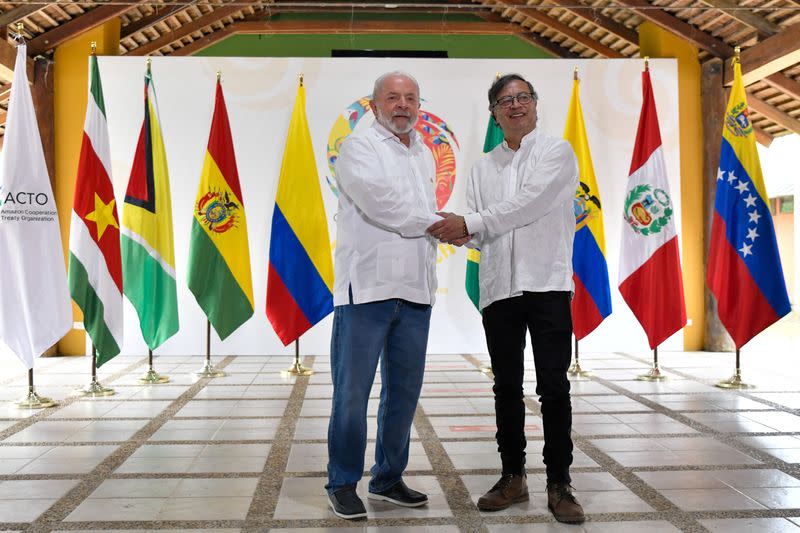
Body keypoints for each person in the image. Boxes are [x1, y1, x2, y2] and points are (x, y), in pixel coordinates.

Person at [428, 74, 584, 524]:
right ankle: (512, 477)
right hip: (499, 288)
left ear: (535, 104)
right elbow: (484, 234)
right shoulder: (481, 168)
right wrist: (461, 234)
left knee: (554, 387)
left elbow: (530, 205)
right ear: (494, 112)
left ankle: (560, 483)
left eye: (522, 98)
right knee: (505, 387)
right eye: (504, 100)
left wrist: (471, 224)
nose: (514, 106)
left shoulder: (556, 152)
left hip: (547, 284)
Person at [325, 71, 440, 520]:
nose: (403, 105)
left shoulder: (426, 154)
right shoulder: (358, 147)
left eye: (411, 97)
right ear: (373, 105)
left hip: (415, 290)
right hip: (366, 291)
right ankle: (342, 482)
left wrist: (454, 227)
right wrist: (438, 224)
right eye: (392, 97)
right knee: (352, 394)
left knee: (404, 394)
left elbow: (421, 212)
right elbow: (382, 206)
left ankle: (388, 479)